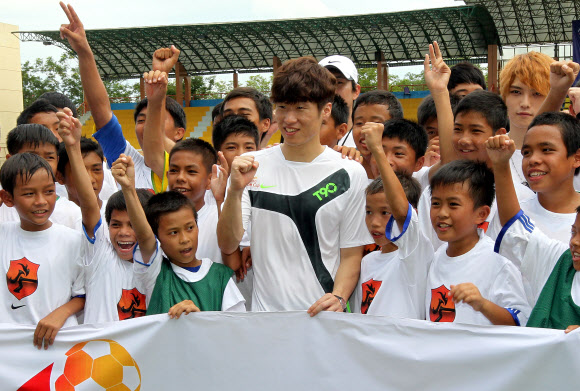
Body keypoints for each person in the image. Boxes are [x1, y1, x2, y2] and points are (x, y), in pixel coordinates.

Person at [217, 56, 372, 313]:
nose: (289, 119)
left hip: (324, 321)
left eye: (301, 108)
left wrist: (339, 297)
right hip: (267, 322)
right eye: (282, 107)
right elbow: (228, 244)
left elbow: (351, 254)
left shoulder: (350, 173)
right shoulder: (250, 166)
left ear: (325, 110)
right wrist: (234, 191)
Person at [59, 3, 182, 192]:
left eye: (158, 118)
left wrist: (157, 98)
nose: (148, 126)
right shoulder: (125, 163)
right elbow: (101, 111)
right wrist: (83, 51)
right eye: (142, 120)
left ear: (179, 133)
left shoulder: (194, 171)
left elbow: (155, 141)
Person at [112, 155, 245, 315]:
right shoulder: (155, 273)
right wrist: (128, 189)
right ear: (158, 238)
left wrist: (199, 319)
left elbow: (236, 327)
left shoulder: (220, 277)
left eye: (189, 228)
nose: (184, 239)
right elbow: (144, 236)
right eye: (173, 232)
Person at [57, 109, 152, 323]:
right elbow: (89, 204)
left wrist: (128, 188)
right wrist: (72, 147)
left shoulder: (154, 263)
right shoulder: (102, 250)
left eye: (133, 225)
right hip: (96, 355)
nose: (124, 232)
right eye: (116, 224)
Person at [488, 133, 580, 332]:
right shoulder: (561, 259)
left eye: (547, 149)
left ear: (576, 157)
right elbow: (516, 232)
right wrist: (501, 164)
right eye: (573, 232)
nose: (575, 242)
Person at [427, 160, 530, 326]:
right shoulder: (437, 257)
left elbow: (521, 321)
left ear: (481, 214)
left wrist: (482, 304)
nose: (442, 213)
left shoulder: (497, 261)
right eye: (436, 204)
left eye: (453, 204)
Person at [0, 153, 85, 348]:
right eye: (29, 193)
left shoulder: (73, 240)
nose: (41, 201)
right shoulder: (2, 235)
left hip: (56, 347)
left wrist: (61, 313)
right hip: (8, 352)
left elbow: (82, 294)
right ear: (7, 198)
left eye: (48, 191)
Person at [351, 121, 430, 318]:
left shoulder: (414, 250)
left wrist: (377, 150)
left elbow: (401, 211)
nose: (375, 222)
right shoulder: (367, 262)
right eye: (369, 212)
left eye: (386, 212)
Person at [488, 112, 580, 244]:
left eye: (547, 150)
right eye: (526, 153)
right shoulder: (509, 212)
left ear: (577, 158)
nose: (533, 160)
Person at [1, 124, 82, 229]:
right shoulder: (3, 206)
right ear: (10, 159)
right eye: (31, 156)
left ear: (57, 160)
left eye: (49, 157)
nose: (41, 163)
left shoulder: (71, 213)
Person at [499, 52, 554, 185]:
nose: (525, 103)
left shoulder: (571, 155)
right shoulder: (488, 152)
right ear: (504, 95)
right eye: (516, 92)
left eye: (537, 93)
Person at [352, 90, 404, 179]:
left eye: (376, 123)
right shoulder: (348, 166)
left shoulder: (404, 169)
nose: (365, 130)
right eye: (359, 123)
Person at [319, 55, 361, 147]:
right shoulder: (302, 137)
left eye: (339, 83)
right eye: (324, 83)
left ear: (356, 91)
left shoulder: (364, 141)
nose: (331, 90)